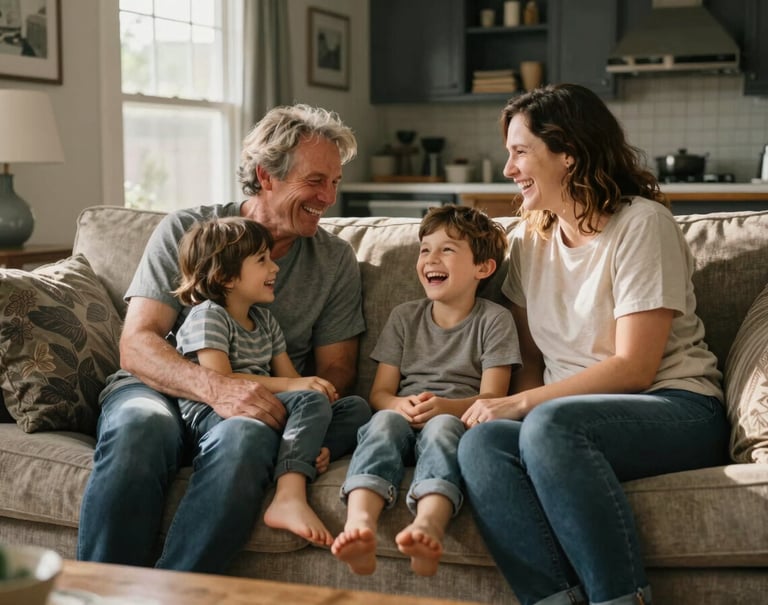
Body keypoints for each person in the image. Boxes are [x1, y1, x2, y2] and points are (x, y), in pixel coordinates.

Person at [457, 83, 730, 605]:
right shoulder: (527, 241)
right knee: (481, 444)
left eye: (520, 152)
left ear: (568, 154)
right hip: (563, 420)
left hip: (675, 407)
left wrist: (520, 406)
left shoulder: (642, 225)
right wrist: (521, 411)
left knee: (547, 424)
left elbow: (635, 367)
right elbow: (530, 359)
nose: (508, 169)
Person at [77, 104, 372, 573]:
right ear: (266, 175)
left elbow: (337, 368)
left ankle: (173, 596)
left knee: (244, 443)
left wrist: (300, 418)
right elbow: (138, 343)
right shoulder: (187, 229)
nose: (329, 197)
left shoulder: (333, 260)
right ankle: (97, 593)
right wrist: (218, 388)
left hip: (258, 400)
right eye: (316, 181)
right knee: (139, 428)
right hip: (158, 387)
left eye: (335, 182)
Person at [331, 205, 521, 578]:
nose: (431, 259)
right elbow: (381, 393)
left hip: (453, 419)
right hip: (403, 415)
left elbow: (493, 398)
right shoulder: (405, 316)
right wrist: (399, 404)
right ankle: (359, 525)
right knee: (382, 423)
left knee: (442, 430)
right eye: (425, 250)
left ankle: (428, 526)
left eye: (447, 250)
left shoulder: (495, 321)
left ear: (483, 268)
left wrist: (445, 407)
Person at [173, 216, 355, 546]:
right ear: (225, 277)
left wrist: (311, 392)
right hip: (215, 418)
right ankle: (290, 492)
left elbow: (292, 379)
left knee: (354, 408)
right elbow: (220, 380)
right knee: (309, 398)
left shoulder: (264, 320)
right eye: (262, 261)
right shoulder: (208, 314)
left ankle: (313, 450)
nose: (275, 269)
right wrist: (296, 390)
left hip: (265, 409)